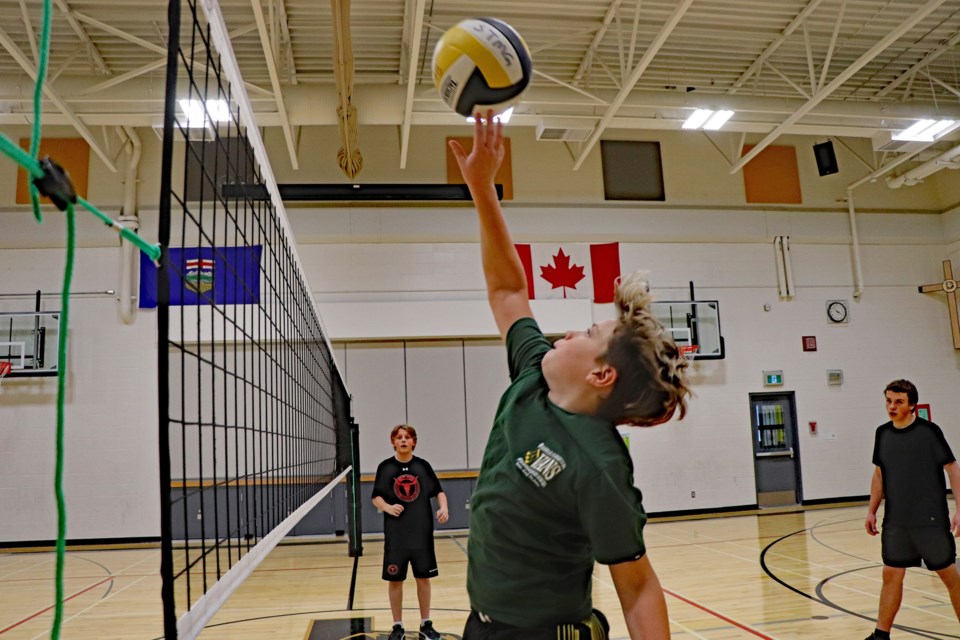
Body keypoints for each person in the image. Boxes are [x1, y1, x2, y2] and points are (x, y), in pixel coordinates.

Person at [449, 111, 692, 640]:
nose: (567, 335)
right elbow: (508, 291)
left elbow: (637, 586)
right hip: (483, 626)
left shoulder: (599, 465)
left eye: (586, 332)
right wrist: (482, 190)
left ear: (602, 375)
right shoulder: (533, 376)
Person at [864, 379, 960, 640]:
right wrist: (872, 510)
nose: (891, 406)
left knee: (950, 577)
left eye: (898, 402)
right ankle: (881, 636)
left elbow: (952, 468)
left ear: (912, 405)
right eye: (888, 401)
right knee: (891, 574)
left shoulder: (929, 432)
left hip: (929, 521)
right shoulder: (882, 434)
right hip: (896, 521)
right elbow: (879, 473)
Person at [371, 424, 449, 640]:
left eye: (407, 437)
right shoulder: (385, 467)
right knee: (395, 580)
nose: (403, 440)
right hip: (396, 536)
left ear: (414, 441)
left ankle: (426, 624)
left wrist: (444, 507)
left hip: (422, 534)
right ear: (393, 442)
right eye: (399, 437)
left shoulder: (423, 466)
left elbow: (438, 492)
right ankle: (397, 626)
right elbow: (376, 496)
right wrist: (387, 507)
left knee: (423, 578)